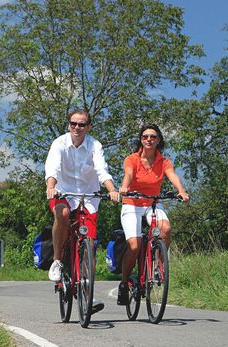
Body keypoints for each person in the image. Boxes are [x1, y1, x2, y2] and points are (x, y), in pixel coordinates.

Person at [45, 109, 120, 314]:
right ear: (69, 124)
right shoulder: (59, 144)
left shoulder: (95, 146)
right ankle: (58, 262)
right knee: (63, 215)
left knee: (90, 245)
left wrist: (112, 190)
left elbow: (101, 170)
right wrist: (51, 186)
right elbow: (52, 168)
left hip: (88, 198)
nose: (77, 128)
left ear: (88, 126)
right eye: (73, 124)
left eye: (82, 124)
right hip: (63, 193)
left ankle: (87, 292)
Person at [117, 124, 190, 305]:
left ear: (158, 141)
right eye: (145, 136)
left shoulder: (163, 161)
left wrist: (181, 190)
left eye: (153, 137)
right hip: (132, 203)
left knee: (165, 229)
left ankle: (157, 266)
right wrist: (125, 187)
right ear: (141, 139)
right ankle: (124, 284)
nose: (149, 139)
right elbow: (128, 174)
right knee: (134, 246)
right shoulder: (132, 159)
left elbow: (172, 175)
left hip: (151, 203)